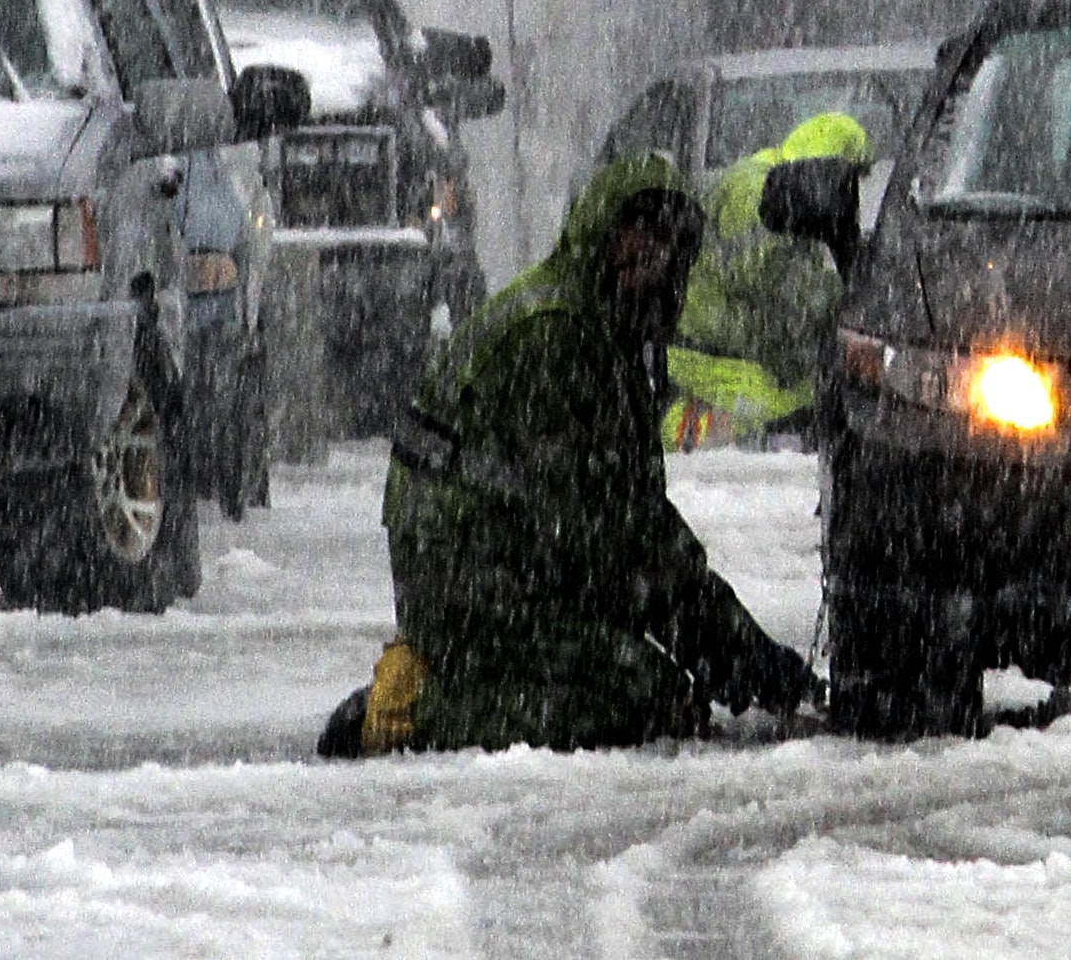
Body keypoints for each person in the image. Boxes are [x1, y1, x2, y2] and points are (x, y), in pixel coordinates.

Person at [320, 155, 817, 755]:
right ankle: (407, 711)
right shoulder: (557, 337)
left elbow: (633, 518)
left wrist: (738, 653)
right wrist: (734, 656)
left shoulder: (608, 332)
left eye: (670, 248)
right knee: (641, 699)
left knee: (653, 684)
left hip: (513, 560)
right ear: (604, 236)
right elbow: (609, 536)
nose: (653, 262)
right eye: (639, 236)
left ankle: (465, 679)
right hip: (470, 581)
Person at [664, 111, 871, 448]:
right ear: (822, 175)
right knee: (790, 413)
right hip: (713, 351)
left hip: (732, 340)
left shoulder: (786, 194)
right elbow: (771, 274)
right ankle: (690, 434)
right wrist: (844, 294)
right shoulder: (755, 193)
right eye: (847, 182)